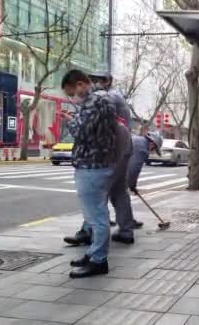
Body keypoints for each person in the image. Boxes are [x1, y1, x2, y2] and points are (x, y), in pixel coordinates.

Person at [60, 69, 117, 278]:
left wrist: (71, 121)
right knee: (94, 216)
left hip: (93, 166)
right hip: (95, 164)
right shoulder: (96, 102)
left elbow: (80, 131)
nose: (72, 97)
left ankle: (99, 260)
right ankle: (94, 253)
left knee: (97, 217)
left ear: (81, 85)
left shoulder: (95, 102)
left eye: (71, 92)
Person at [63, 132, 162, 246]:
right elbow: (133, 169)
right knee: (117, 198)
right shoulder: (142, 148)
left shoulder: (136, 140)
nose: (152, 151)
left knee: (101, 200)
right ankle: (124, 231)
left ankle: (88, 231)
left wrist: (130, 184)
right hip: (115, 171)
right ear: (152, 144)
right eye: (154, 149)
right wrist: (132, 184)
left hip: (111, 169)